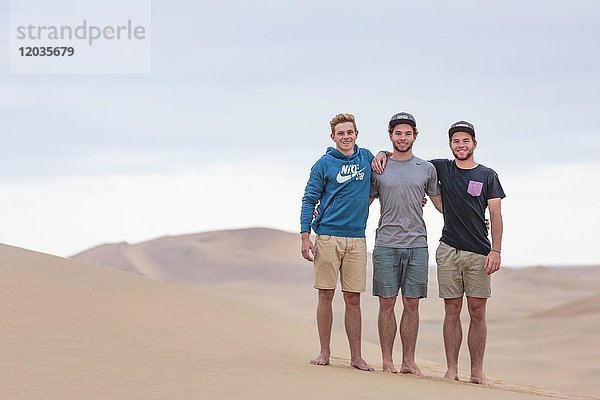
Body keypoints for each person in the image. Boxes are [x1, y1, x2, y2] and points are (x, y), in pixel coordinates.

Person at [372, 120, 505, 384]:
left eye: (466, 140)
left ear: (474, 144)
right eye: (456, 141)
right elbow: (402, 157)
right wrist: (381, 153)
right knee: (451, 309)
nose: (461, 145)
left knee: (477, 311)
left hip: (478, 251)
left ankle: (477, 371)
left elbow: (495, 213)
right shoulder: (440, 167)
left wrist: (496, 249)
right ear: (450, 145)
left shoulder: (486, 174)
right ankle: (451, 369)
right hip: (446, 250)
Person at [369, 112, 442, 375]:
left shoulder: (427, 168)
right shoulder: (378, 166)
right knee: (386, 303)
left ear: (415, 136)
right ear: (391, 136)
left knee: (412, 304)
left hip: (417, 244)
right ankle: (387, 360)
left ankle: (408, 361)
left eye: (407, 133)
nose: (403, 137)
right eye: (398, 133)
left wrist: (477, 218)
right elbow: (362, 201)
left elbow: (441, 204)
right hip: (386, 243)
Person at [300, 113, 374, 371]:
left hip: (357, 238)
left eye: (350, 132)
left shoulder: (367, 157)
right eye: (341, 133)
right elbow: (309, 198)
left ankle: (356, 356)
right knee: (326, 294)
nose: (346, 137)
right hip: (328, 236)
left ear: (356, 134)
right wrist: (304, 235)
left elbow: (385, 180)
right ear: (333, 137)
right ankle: (325, 352)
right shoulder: (324, 164)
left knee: (353, 298)